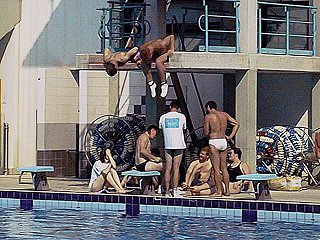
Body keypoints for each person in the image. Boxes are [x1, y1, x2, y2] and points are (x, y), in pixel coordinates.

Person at [204, 100, 239, 197]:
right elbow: (236, 124)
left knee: (216, 168)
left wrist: (209, 132)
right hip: (223, 141)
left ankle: (219, 192)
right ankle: (227, 191)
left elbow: (206, 132)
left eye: (206, 108)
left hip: (214, 141)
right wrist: (230, 136)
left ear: (209, 107)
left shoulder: (208, 117)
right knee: (224, 168)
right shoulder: (225, 115)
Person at [159, 100, 187, 197]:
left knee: (168, 168)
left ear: (170, 107)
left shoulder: (163, 117)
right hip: (179, 144)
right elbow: (184, 129)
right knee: (176, 169)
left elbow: (161, 129)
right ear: (178, 108)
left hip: (168, 145)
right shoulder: (182, 117)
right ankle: (174, 191)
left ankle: (166, 191)